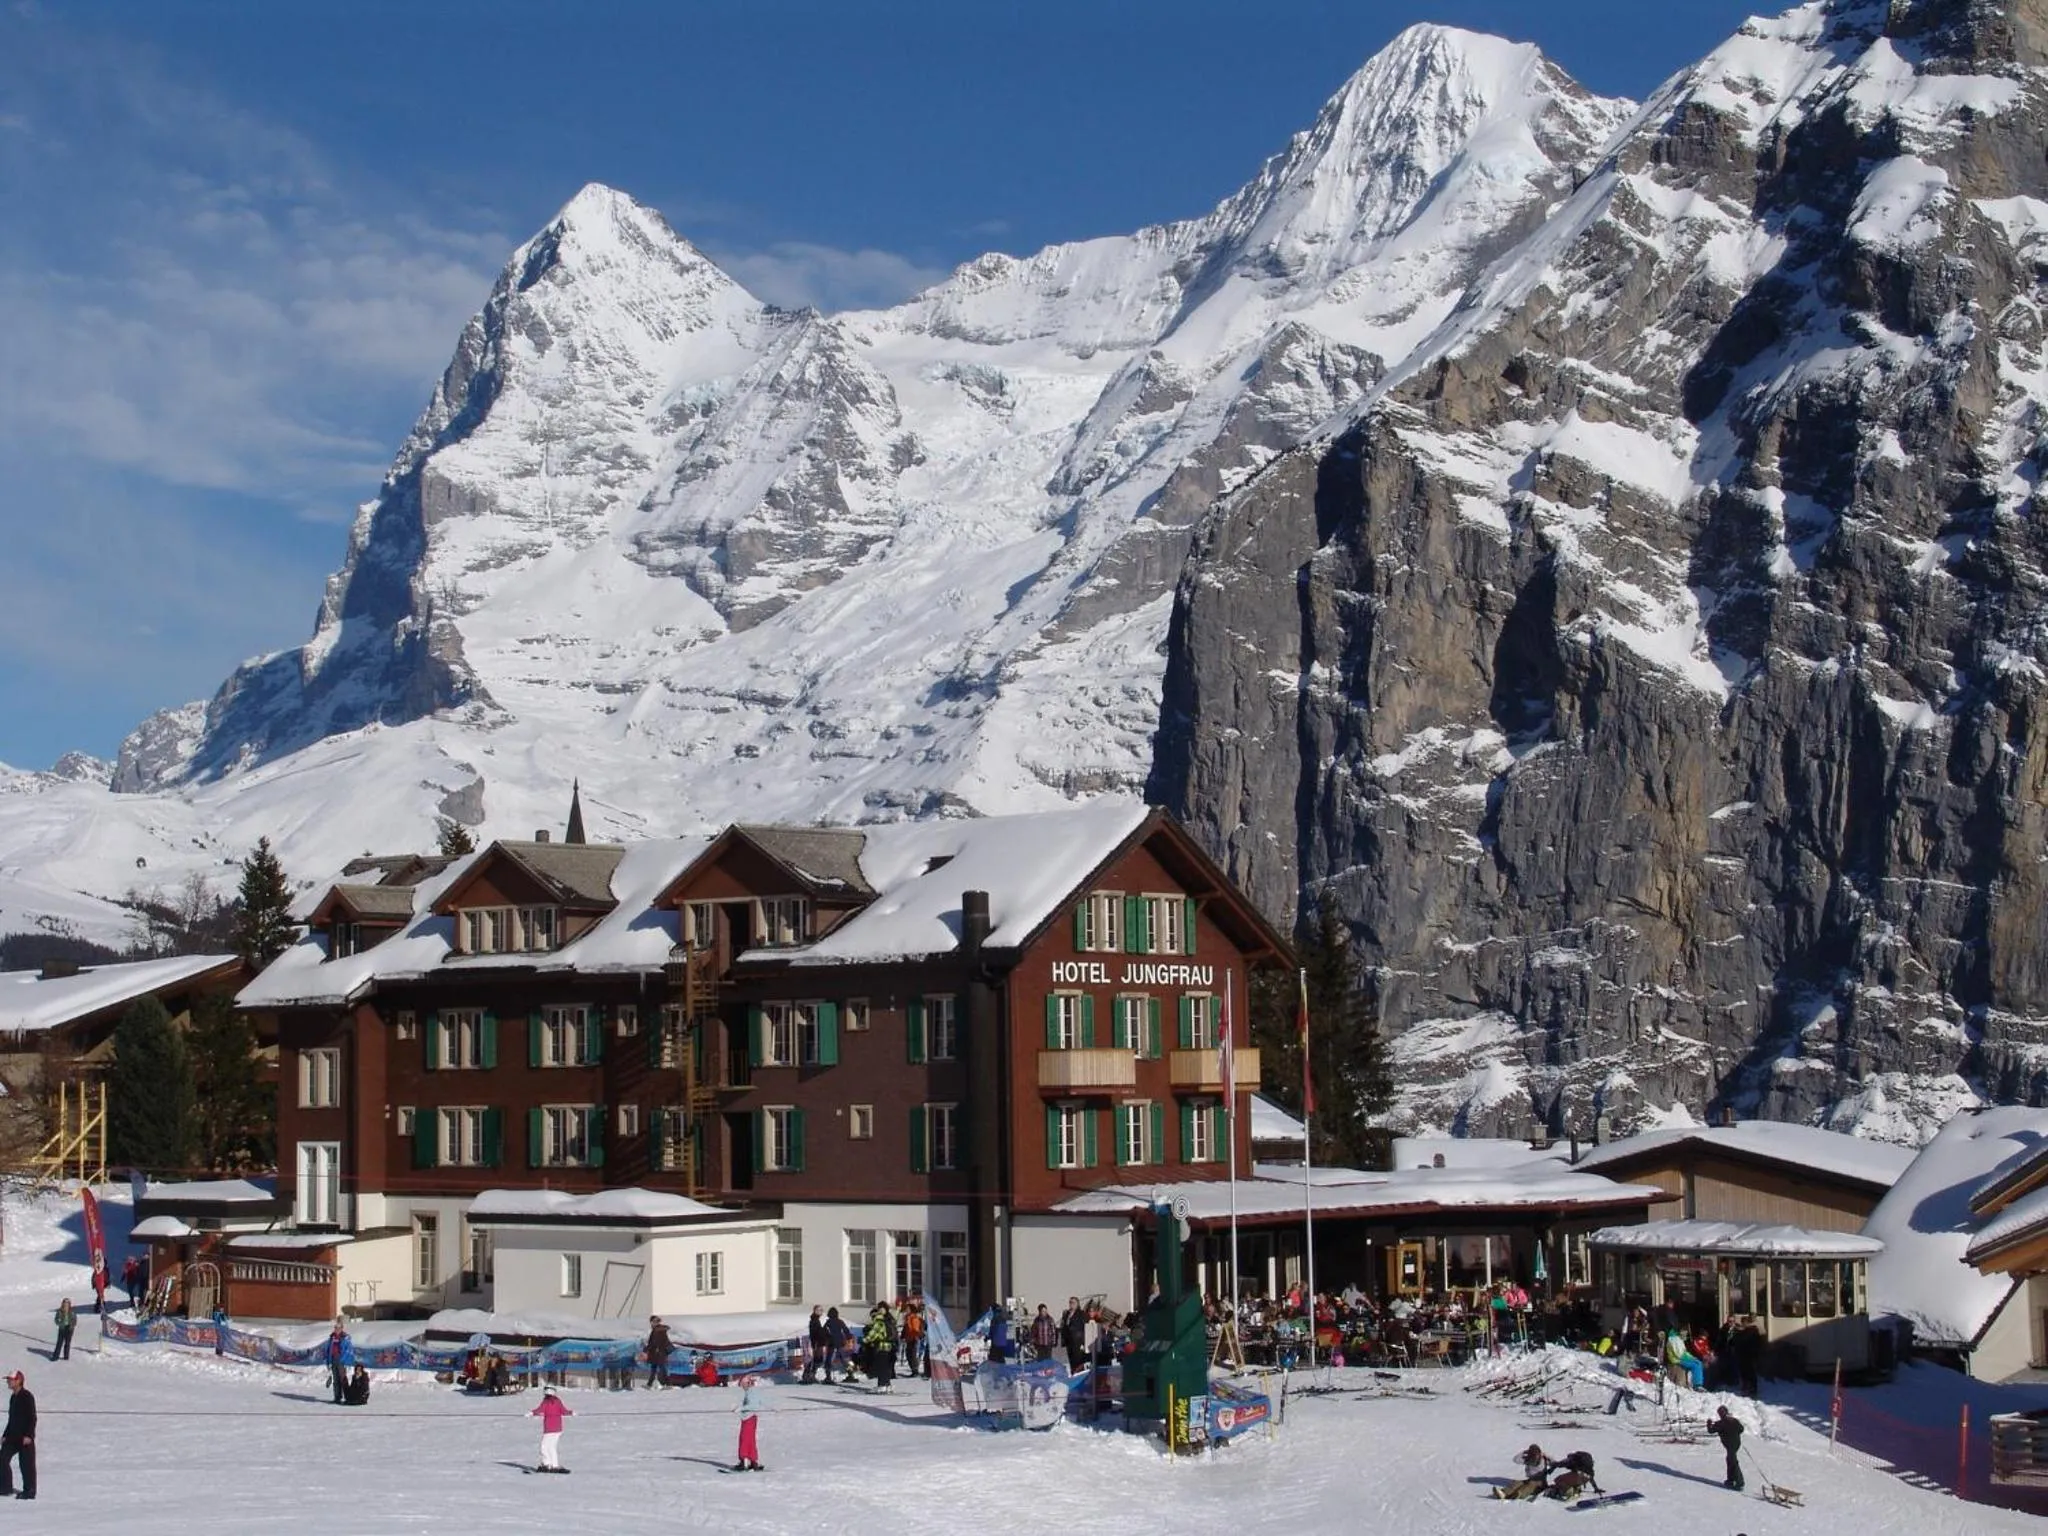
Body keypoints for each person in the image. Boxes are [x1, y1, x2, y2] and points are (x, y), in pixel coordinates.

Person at [0, 1371, 33, 1500]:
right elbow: (11, 1419)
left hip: (25, 1437)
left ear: (19, 1381)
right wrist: (5, 1435)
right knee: (2, 1458)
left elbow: (32, 1418)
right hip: (12, 1436)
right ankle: (5, 1487)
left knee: (26, 1464)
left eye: (11, 1379)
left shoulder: (27, 1396)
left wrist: (29, 1435)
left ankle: (29, 1491)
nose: (8, 1382)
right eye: (8, 1379)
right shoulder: (13, 1398)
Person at [530, 1383, 572, 1472]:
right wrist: (571, 1412)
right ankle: (554, 1465)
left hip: (550, 1429)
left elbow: (539, 1410)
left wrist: (531, 1413)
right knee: (551, 1447)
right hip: (557, 1429)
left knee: (544, 1447)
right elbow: (564, 1411)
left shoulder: (546, 1401)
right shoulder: (557, 1401)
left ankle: (547, 1464)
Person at [733, 1373, 766, 1471]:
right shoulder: (753, 1392)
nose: (742, 1387)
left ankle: (743, 1462)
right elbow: (762, 1402)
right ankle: (753, 1462)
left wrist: (740, 1408)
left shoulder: (751, 1392)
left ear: (748, 1383)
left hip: (749, 1418)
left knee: (744, 1440)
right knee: (750, 1440)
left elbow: (754, 1406)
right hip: (750, 1418)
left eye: (743, 1384)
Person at [864, 1303, 898, 1392]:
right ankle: (887, 1384)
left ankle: (882, 1385)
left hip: (881, 1346)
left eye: (879, 1309)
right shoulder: (890, 1319)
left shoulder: (879, 1320)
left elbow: (874, 1333)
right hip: (889, 1346)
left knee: (881, 1366)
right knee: (886, 1366)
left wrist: (865, 1340)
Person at [1712, 1405, 1745, 1490]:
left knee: (1733, 1462)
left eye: (1720, 1413)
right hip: (1736, 1444)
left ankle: (1739, 1482)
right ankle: (1731, 1480)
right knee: (1730, 1460)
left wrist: (1708, 1424)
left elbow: (1711, 1430)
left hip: (1730, 1445)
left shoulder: (1721, 1423)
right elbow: (1741, 1429)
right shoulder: (1733, 1420)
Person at [325, 1320, 356, 1404]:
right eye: (335, 1327)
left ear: (342, 1328)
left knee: (343, 1379)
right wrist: (328, 1361)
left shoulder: (345, 1337)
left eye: (338, 1328)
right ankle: (337, 1397)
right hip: (333, 1359)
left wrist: (344, 1361)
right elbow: (328, 1350)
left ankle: (347, 1397)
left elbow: (348, 1350)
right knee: (336, 1380)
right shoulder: (332, 1337)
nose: (336, 1329)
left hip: (341, 1360)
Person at [644, 1315, 675, 1389]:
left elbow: (655, 1342)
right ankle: (649, 1384)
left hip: (659, 1353)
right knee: (654, 1368)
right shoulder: (657, 1330)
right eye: (652, 1322)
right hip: (657, 1353)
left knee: (662, 1368)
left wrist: (647, 1349)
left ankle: (668, 1384)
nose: (653, 1323)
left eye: (655, 1321)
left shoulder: (659, 1330)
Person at [1060, 1297, 1089, 1374]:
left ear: (1077, 1304)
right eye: (1070, 1302)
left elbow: (1086, 1328)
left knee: (1079, 1361)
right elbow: (1064, 1326)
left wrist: (1084, 1342)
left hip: (1078, 1341)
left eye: (1073, 1303)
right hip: (1069, 1341)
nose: (1071, 1304)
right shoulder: (1066, 1314)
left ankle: (1080, 1375)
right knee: (1071, 1360)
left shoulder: (1082, 1314)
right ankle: (1073, 1374)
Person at [825, 1307, 854, 1383]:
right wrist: (849, 1338)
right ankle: (850, 1374)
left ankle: (828, 1377)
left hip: (832, 1344)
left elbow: (825, 1333)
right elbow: (846, 1330)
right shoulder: (840, 1321)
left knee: (829, 1360)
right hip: (840, 1343)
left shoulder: (828, 1323)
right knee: (844, 1359)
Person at [901, 1299, 926, 1379]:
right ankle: (913, 1370)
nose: (906, 1310)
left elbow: (915, 1329)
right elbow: (906, 1328)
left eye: (907, 1309)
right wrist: (903, 1336)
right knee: (909, 1354)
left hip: (913, 1339)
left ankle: (915, 1371)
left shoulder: (914, 1318)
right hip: (909, 1338)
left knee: (912, 1355)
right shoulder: (908, 1318)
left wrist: (916, 1336)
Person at [805, 1305, 830, 1384]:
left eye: (822, 1310)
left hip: (818, 1343)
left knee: (817, 1360)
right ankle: (809, 1375)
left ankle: (810, 1375)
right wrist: (823, 1332)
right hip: (817, 1343)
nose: (821, 1312)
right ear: (815, 1311)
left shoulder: (816, 1320)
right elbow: (816, 1333)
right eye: (819, 1310)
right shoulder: (814, 1320)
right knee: (817, 1360)